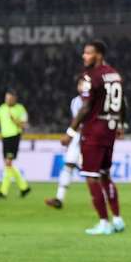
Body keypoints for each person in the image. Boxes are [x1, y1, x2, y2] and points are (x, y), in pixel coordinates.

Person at [61, 40, 126, 235]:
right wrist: (121, 124)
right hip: (110, 128)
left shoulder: (91, 76)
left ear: (98, 55)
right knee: (105, 174)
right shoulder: (114, 74)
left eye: (88, 53)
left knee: (91, 177)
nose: (84, 56)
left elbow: (86, 106)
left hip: (94, 129)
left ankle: (104, 222)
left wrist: (70, 132)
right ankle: (117, 218)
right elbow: (122, 101)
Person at [45, 78, 86, 209]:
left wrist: (70, 135)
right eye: (79, 84)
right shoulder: (75, 101)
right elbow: (77, 121)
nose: (81, 86)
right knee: (68, 165)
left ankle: (102, 198)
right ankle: (59, 199)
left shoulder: (95, 100)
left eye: (83, 84)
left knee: (93, 171)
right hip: (77, 137)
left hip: (90, 137)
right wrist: (72, 135)